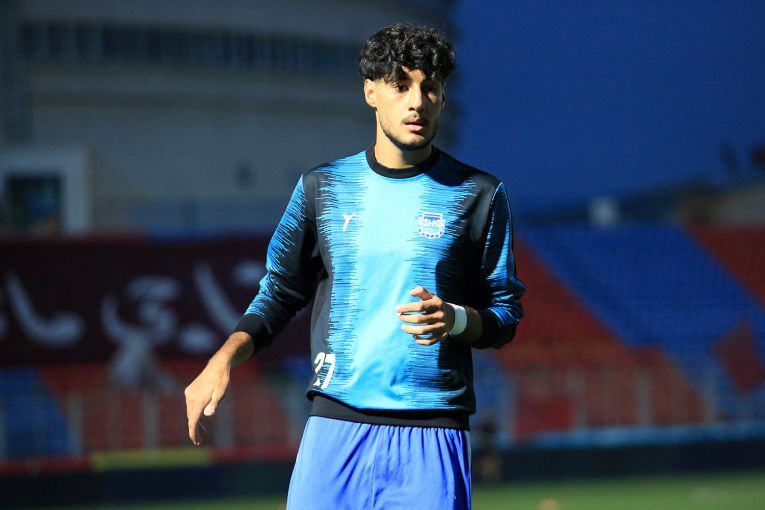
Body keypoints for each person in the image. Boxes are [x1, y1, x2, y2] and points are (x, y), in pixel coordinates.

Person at [184, 23, 525, 509]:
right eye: (400, 85)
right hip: (334, 429)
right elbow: (279, 292)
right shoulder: (322, 187)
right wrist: (223, 359)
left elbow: (505, 315)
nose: (417, 102)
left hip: (432, 433)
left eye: (430, 88)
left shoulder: (480, 195)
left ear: (443, 97)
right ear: (371, 92)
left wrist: (454, 319)